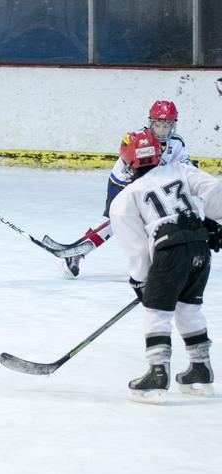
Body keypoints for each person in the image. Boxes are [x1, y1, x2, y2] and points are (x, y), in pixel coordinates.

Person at [109, 128, 222, 404]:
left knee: (157, 310)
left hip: (170, 250)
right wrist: (214, 221)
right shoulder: (179, 169)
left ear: (128, 161)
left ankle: (157, 373)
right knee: (189, 306)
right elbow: (215, 188)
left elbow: (137, 248)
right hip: (199, 245)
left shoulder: (126, 197)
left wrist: (141, 281)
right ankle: (200, 369)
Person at [60, 100, 194, 278]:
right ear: (151, 123)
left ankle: (163, 260)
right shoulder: (139, 139)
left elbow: (185, 164)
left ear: (173, 125)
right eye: (158, 125)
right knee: (112, 222)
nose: (162, 130)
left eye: (166, 125)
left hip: (150, 185)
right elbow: (133, 170)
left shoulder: (176, 143)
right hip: (123, 182)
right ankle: (77, 252)